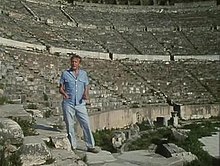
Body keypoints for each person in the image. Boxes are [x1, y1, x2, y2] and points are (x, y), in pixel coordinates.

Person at [59, 53, 99, 153]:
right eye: (72, 61)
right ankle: (73, 146)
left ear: (79, 63)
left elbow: (86, 86)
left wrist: (86, 94)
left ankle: (90, 145)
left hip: (80, 103)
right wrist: (64, 93)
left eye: (75, 62)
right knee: (70, 124)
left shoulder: (83, 74)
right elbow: (60, 88)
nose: (73, 63)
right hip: (69, 103)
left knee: (86, 124)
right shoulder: (65, 74)